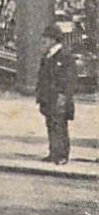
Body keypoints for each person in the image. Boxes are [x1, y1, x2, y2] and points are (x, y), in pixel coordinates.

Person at [35, 23, 75, 165]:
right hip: (48, 96)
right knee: (51, 124)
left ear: (53, 40)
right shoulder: (48, 56)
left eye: (45, 39)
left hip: (59, 97)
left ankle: (62, 154)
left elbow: (68, 80)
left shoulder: (64, 56)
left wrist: (63, 96)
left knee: (59, 125)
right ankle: (54, 152)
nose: (43, 42)